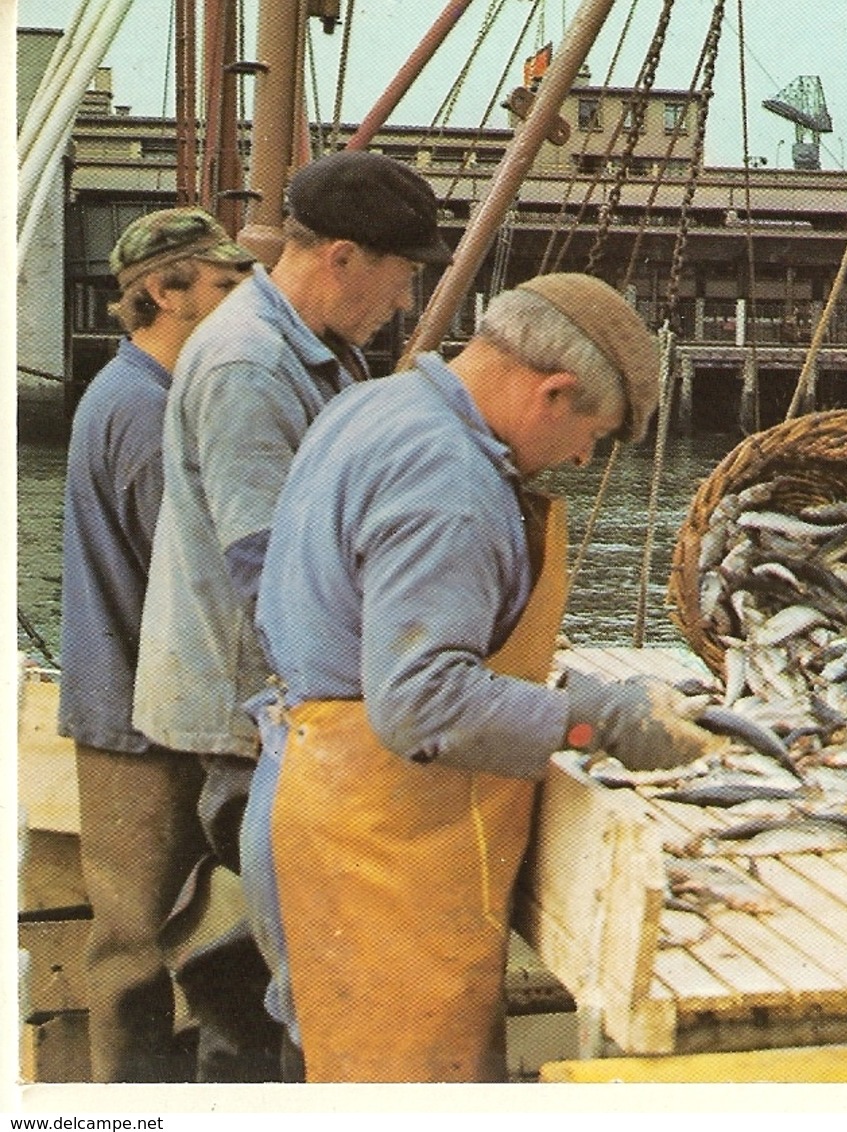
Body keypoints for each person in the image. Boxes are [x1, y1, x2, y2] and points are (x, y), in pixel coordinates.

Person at [240, 273, 725, 1083]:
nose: (577, 458)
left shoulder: (375, 406)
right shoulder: (450, 481)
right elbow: (420, 703)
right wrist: (596, 720)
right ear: (553, 391)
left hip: (307, 796)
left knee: (325, 1069)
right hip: (377, 848)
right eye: (591, 436)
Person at [129, 150, 452, 1080]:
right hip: (253, 712)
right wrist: (391, 685)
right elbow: (269, 570)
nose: (402, 298)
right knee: (309, 941)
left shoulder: (313, 347)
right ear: (344, 257)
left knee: (289, 932)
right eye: (402, 273)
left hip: (274, 704)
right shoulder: (247, 365)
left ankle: (239, 1025)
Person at [56, 208, 255, 1083]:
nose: (244, 302)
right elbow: (194, 582)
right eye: (225, 284)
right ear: (165, 292)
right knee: (135, 948)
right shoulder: (144, 413)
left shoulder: (136, 393)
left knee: (160, 940)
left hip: (136, 711)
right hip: (137, 732)